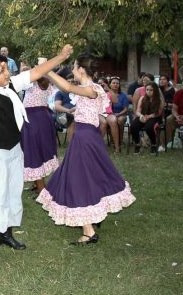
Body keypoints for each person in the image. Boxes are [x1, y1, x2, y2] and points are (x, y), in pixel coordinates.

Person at [0, 45, 74, 264]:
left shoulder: (11, 85)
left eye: (7, 71)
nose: (8, 74)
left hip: (14, 149)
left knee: (13, 191)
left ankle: (5, 234)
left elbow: (37, 72)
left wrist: (60, 56)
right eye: (2, 72)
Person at [36, 55, 136, 246]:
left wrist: (45, 70)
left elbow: (65, 87)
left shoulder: (92, 89)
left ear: (81, 69)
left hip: (86, 138)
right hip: (84, 136)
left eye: (74, 66)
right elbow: (64, 88)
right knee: (89, 177)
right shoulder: (88, 89)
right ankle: (93, 218)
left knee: (80, 180)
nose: (73, 69)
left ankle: (89, 231)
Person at [21, 76, 58, 194]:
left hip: (33, 118)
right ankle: (36, 183)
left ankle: (42, 189)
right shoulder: (47, 83)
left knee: (34, 152)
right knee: (40, 150)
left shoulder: (32, 82)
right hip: (43, 116)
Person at [130, 82, 166, 153]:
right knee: (133, 126)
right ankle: (137, 143)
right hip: (143, 116)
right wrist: (141, 116)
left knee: (148, 127)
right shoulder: (142, 98)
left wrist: (148, 116)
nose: (148, 92)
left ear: (155, 90)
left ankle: (153, 144)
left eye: (151, 90)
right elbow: (138, 111)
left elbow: (158, 113)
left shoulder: (160, 100)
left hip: (155, 117)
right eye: (147, 90)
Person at [106, 77, 129, 153]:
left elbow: (126, 109)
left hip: (121, 114)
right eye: (113, 83)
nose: (115, 84)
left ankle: (120, 141)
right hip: (109, 114)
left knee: (120, 120)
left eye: (117, 83)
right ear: (110, 84)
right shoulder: (107, 95)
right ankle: (113, 140)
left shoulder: (123, 95)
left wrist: (119, 114)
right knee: (111, 121)